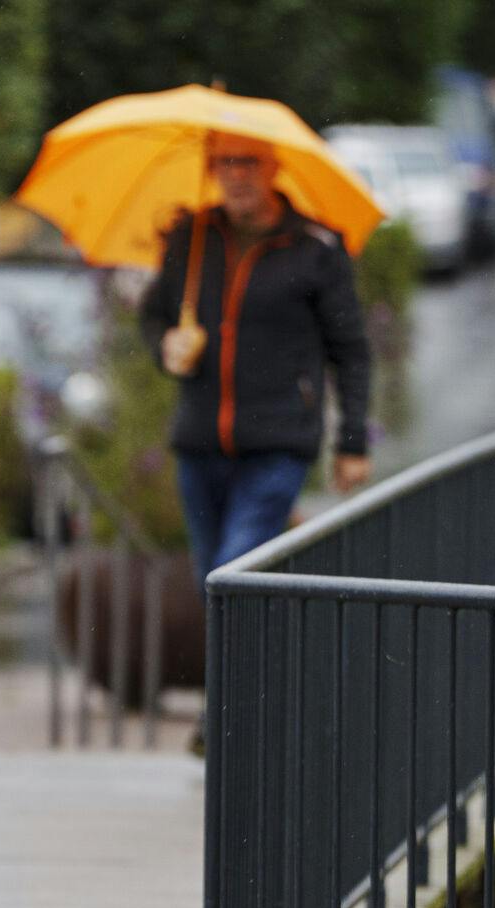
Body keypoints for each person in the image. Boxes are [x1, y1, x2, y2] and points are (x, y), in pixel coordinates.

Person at [139, 132, 372, 588]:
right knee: (212, 580)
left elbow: (350, 350)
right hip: (199, 444)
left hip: (278, 444)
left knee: (231, 578)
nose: (236, 174)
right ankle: (257, 660)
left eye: (248, 162)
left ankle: (243, 657)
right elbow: (152, 314)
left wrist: (352, 443)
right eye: (224, 162)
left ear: (273, 167)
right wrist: (166, 345)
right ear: (211, 169)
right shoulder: (192, 237)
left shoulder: (315, 248)